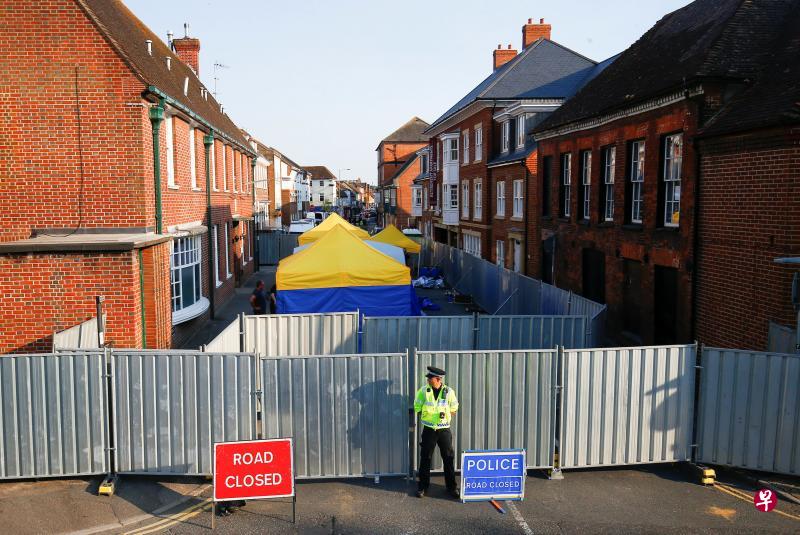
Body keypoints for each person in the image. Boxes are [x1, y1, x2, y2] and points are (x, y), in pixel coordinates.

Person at [413, 366, 459, 499]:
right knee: (425, 458)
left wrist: (446, 415)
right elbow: (417, 407)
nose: (428, 380)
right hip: (429, 430)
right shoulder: (423, 391)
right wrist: (430, 417)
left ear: (438, 379)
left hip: (444, 429)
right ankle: (423, 487)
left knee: (448, 458)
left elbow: (454, 408)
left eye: (430, 378)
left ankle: (451, 488)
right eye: (428, 377)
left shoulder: (449, 391)